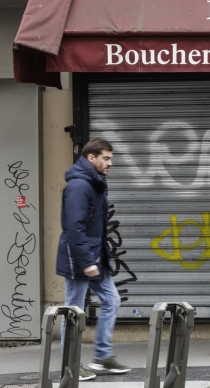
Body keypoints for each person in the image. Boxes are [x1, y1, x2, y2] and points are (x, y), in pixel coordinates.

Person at [57, 138, 130, 380]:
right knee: (74, 310)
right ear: (91, 158)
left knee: (112, 300)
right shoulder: (79, 186)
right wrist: (87, 261)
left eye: (111, 158)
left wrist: (97, 257)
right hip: (81, 258)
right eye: (106, 158)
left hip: (95, 255)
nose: (111, 163)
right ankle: (70, 365)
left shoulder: (95, 183)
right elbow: (74, 227)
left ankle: (102, 357)